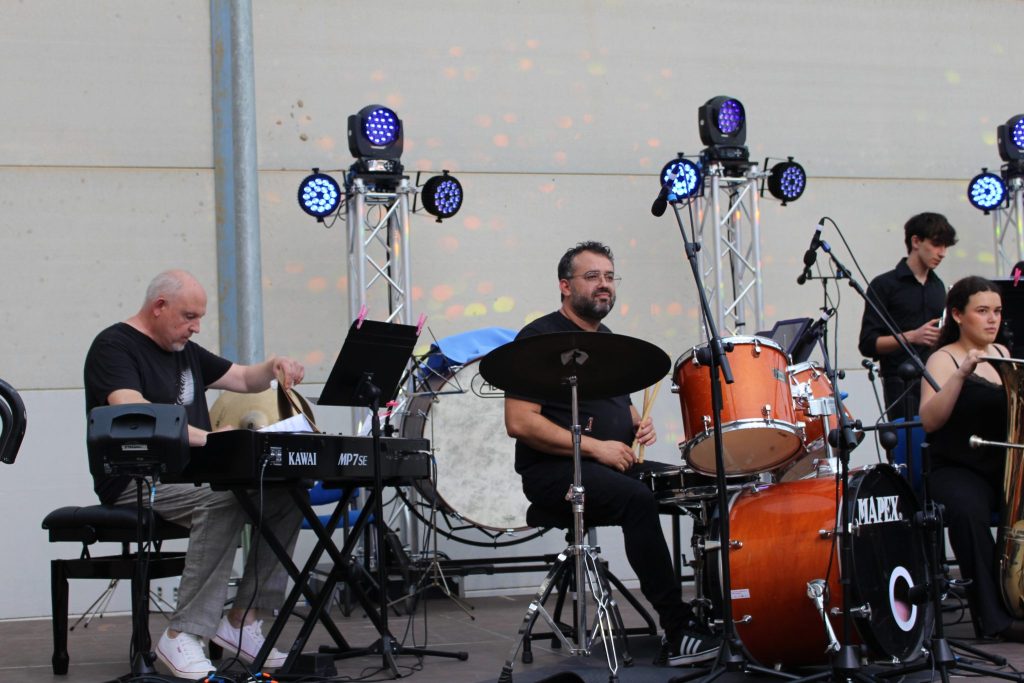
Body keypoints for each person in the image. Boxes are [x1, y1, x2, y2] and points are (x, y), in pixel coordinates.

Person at [503, 242, 720, 666]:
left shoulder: (607, 341)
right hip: (554, 472)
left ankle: (720, 614)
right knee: (636, 499)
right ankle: (678, 629)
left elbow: (619, 406)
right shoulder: (537, 339)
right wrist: (596, 448)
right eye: (592, 276)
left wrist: (638, 425)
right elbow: (520, 422)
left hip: (614, 463)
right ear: (565, 286)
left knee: (701, 484)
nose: (603, 284)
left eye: (608, 276)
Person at [83, 270, 306, 678]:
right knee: (223, 499)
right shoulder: (114, 347)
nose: (196, 327)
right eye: (189, 316)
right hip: (137, 479)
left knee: (285, 496)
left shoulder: (185, 350)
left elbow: (243, 377)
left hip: (192, 476)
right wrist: (210, 439)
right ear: (159, 307)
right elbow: (136, 413)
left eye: (200, 317)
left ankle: (242, 622)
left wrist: (273, 365)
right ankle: (182, 633)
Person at [919, 275, 1024, 641]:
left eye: (997, 311)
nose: (992, 319)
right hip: (956, 467)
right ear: (958, 315)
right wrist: (961, 375)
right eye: (982, 311)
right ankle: (994, 619)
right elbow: (930, 420)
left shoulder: (1004, 354)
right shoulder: (943, 358)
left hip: (1002, 465)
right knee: (968, 512)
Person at [859, 212, 958, 420]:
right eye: (936, 244)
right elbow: (867, 343)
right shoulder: (884, 285)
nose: (942, 253)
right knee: (906, 438)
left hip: (936, 378)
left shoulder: (938, 286)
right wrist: (912, 336)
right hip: (900, 382)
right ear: (916, 241)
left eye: (945, 246)